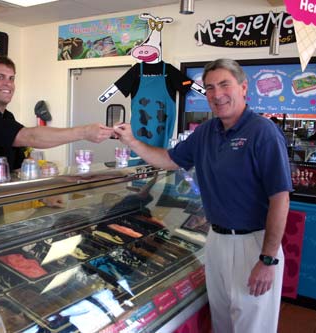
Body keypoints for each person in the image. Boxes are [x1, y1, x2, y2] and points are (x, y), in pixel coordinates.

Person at [114, 58, 292, 333]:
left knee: (252, 325)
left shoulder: (263, 132)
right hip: (217, 240)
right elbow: (168, 160)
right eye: (209, 88)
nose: (217, 94)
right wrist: (133, 142)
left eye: (224, 84)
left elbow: (280, 198)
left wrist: (268, 259)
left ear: (244, 87)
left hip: (254, 244)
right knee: (222, 322)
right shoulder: (206, 132)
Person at [0, 56, 113, 177]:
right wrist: (85, 132)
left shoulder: (7, 117)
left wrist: (42, 187)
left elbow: (16, 167)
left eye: (11, 78)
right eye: (0, 77)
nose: (8, 84)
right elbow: (31, 137)